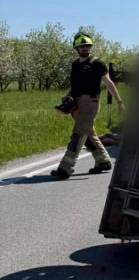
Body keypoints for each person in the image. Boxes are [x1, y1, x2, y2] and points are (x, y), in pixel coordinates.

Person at [51, 33, 125, 179]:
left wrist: (120, 102)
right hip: (77, 103)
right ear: (76, 48)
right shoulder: (75, 64)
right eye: (82, 46)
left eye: (87, 46)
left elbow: (109, 83)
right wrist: (67, 96)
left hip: (90, 103)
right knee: (89, 133)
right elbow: (75, 84)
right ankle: (103, 161)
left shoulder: (98, 63)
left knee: (78, 133)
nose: (85, 48)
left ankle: (65, 168)